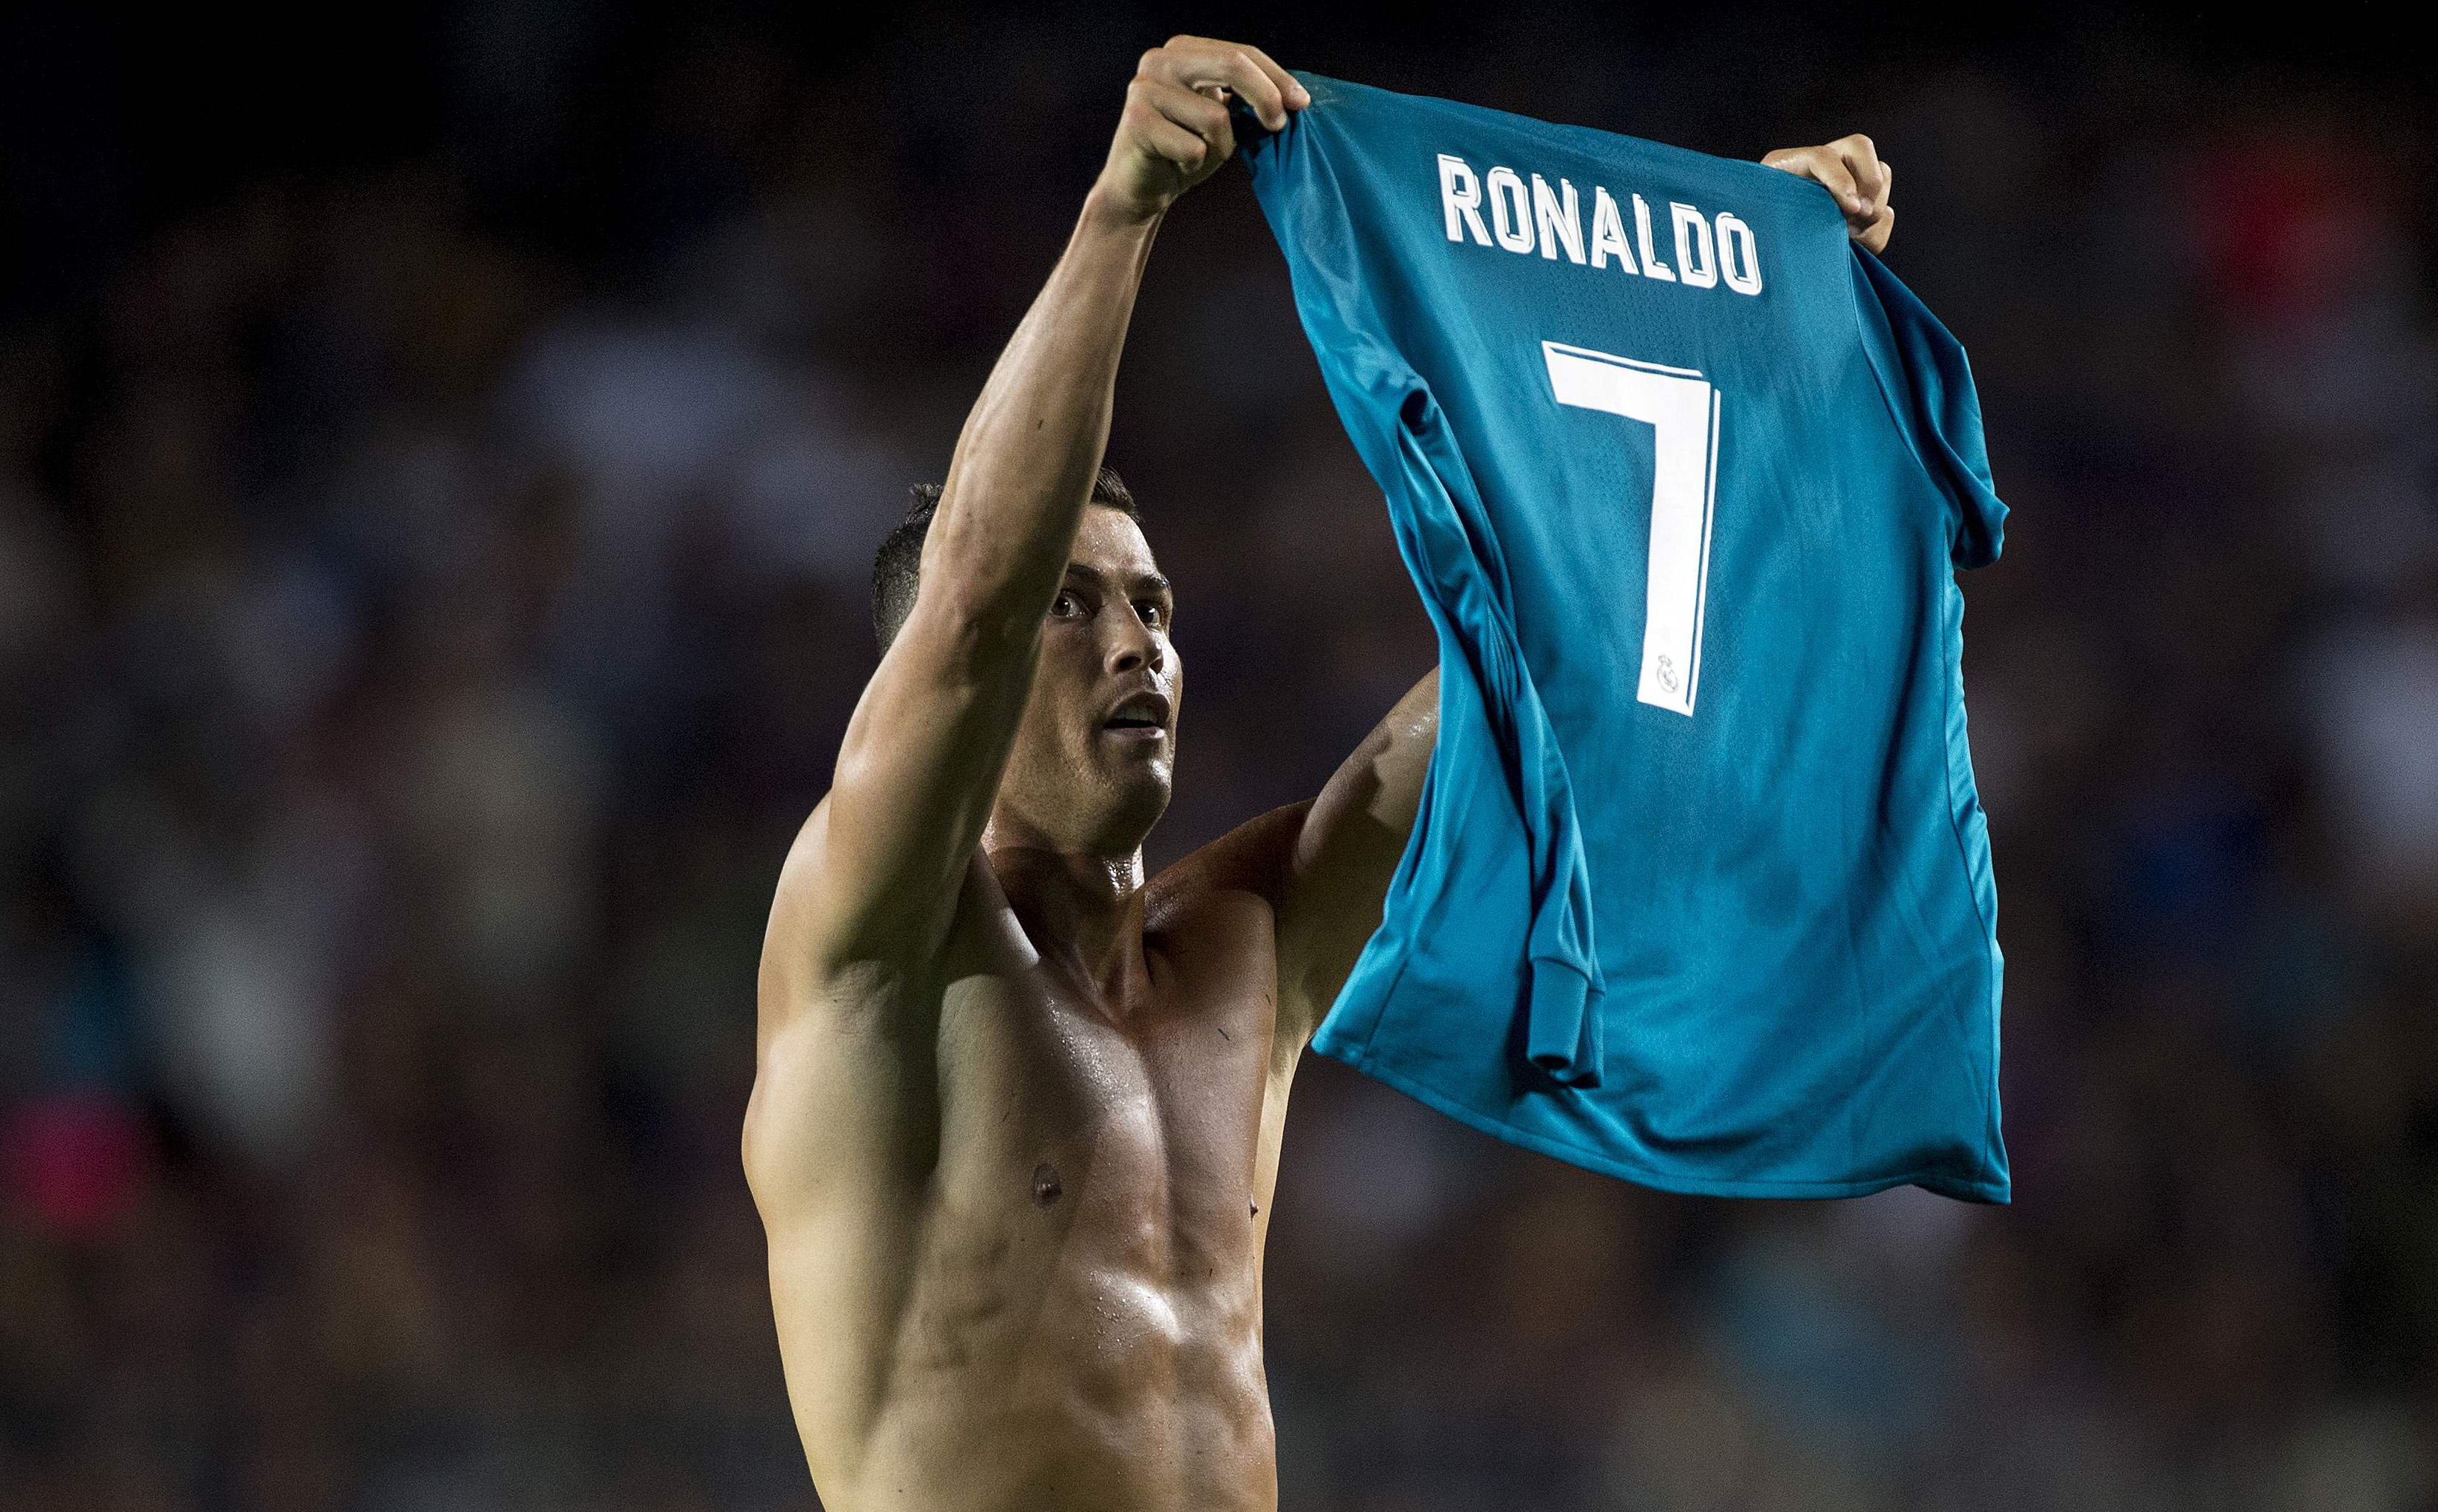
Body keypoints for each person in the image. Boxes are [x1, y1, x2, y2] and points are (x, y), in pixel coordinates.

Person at [743, 36, 1897, 1512]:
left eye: (1154, 606)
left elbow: (1550, 658)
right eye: (1076, 605)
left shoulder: (1244, 944)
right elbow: (971, 598)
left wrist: (1740, 309)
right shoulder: (872, 948)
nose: (1135, 643)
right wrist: (1125, 207)